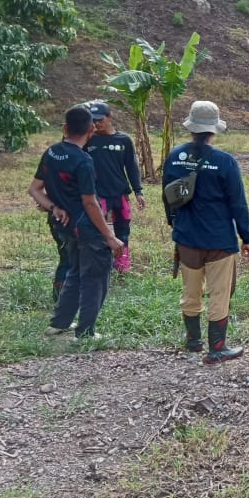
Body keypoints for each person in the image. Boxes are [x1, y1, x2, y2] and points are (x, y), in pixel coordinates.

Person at [162, 101, 249, 364]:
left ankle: (193, 341)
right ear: (213, 130)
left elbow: (168, 197)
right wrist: (247, 237)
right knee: (219, 292)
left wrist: (176, 226)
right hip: (219, 240)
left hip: (187, 239)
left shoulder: (175, 157)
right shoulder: (225, 162)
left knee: (191, 291)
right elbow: (238, 203)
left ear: (191, 127)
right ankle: (217, 348)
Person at [28, 105, 124, 340]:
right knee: (95, 278)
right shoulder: (83, 161)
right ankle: (86, 332)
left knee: (75, 272)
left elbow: (34, 189)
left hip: (65, 227)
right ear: (91, 129)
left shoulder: (51, 152)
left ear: (64, 128)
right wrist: (110, 236)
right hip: (87, 228)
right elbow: (90, 203)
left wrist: (53, 206)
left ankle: (59, 323)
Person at [86, 100, 145, 274]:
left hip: (120, 194)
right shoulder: (88, 139)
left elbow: (132, 167)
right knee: (98, 231)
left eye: (100, 119)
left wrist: (138, 191)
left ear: (110, 117)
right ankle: (100, 265)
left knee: (123, 230)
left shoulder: (124, 140)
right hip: (98, 195)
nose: (97, 123)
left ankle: (122, 264)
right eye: (93, 120)